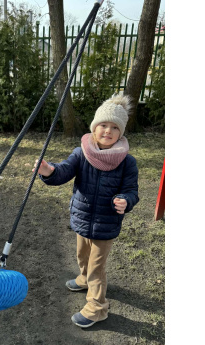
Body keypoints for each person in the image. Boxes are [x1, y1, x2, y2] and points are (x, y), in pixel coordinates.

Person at [33, 93, 140, 328]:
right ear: (94, 127)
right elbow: (64, 171)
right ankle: (83, 279)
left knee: (96, 267)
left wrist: (126, 200)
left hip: (106, 223)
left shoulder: (127, 162)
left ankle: (97, 308)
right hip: (82, 218)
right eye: (103, 125)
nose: (108, 131)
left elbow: (131, 191)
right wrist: (49, 171)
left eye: (115, 127)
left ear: (121, 133)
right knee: (82, 256)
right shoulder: (82, 152)